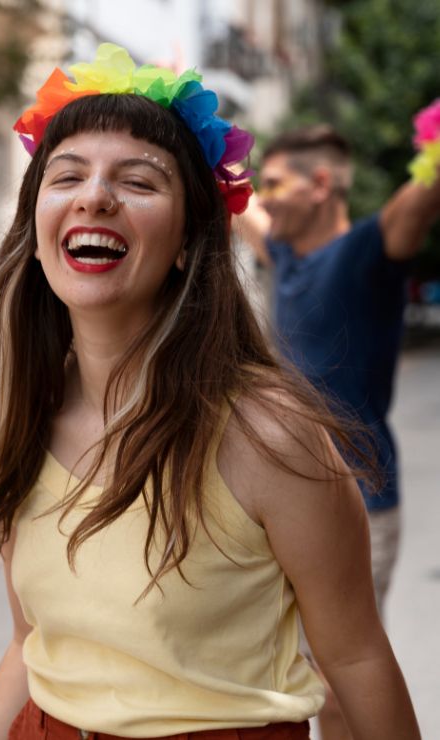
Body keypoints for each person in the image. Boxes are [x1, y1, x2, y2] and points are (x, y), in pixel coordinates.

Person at [0, 44, 420, 739]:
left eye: (139, 181)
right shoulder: (19, 412)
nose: (96, 195)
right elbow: (30, 643)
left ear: (188, 241)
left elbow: (359, 661)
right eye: (67, 176)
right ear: (35, 232)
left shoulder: (269, 436)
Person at [236, 116, 440, 739]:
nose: (262, 196)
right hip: (288, 501)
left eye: (275, 183)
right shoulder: (286, 258)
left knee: (340, 676)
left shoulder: (366, 252)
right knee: (315, 681)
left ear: (320, 184)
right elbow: (230, 193)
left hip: (362, 497)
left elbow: (423, 197)